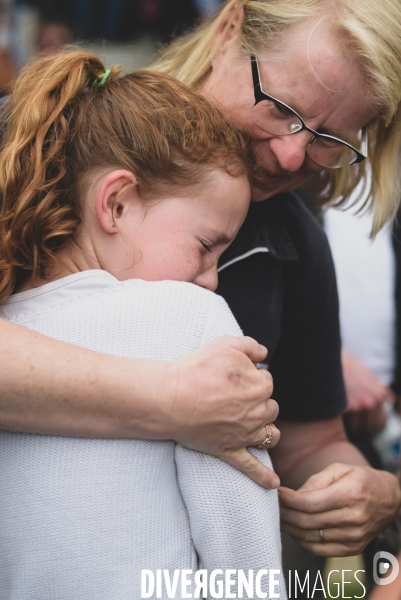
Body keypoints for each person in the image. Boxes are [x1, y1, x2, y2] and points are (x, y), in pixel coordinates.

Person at [2, 0, 401, 557]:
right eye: (282, 107)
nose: (291, 155)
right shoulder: (38, 141)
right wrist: (169, 400)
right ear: (229, 30)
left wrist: (365, 487)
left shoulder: (295, 243)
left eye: (328, 140)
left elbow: (313, 440)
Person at [0, 50, 285, 599]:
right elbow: (242, 547)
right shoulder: (189, 318)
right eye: (206, 248)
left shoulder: (11, 320)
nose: (212, 281)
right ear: (117, 203)